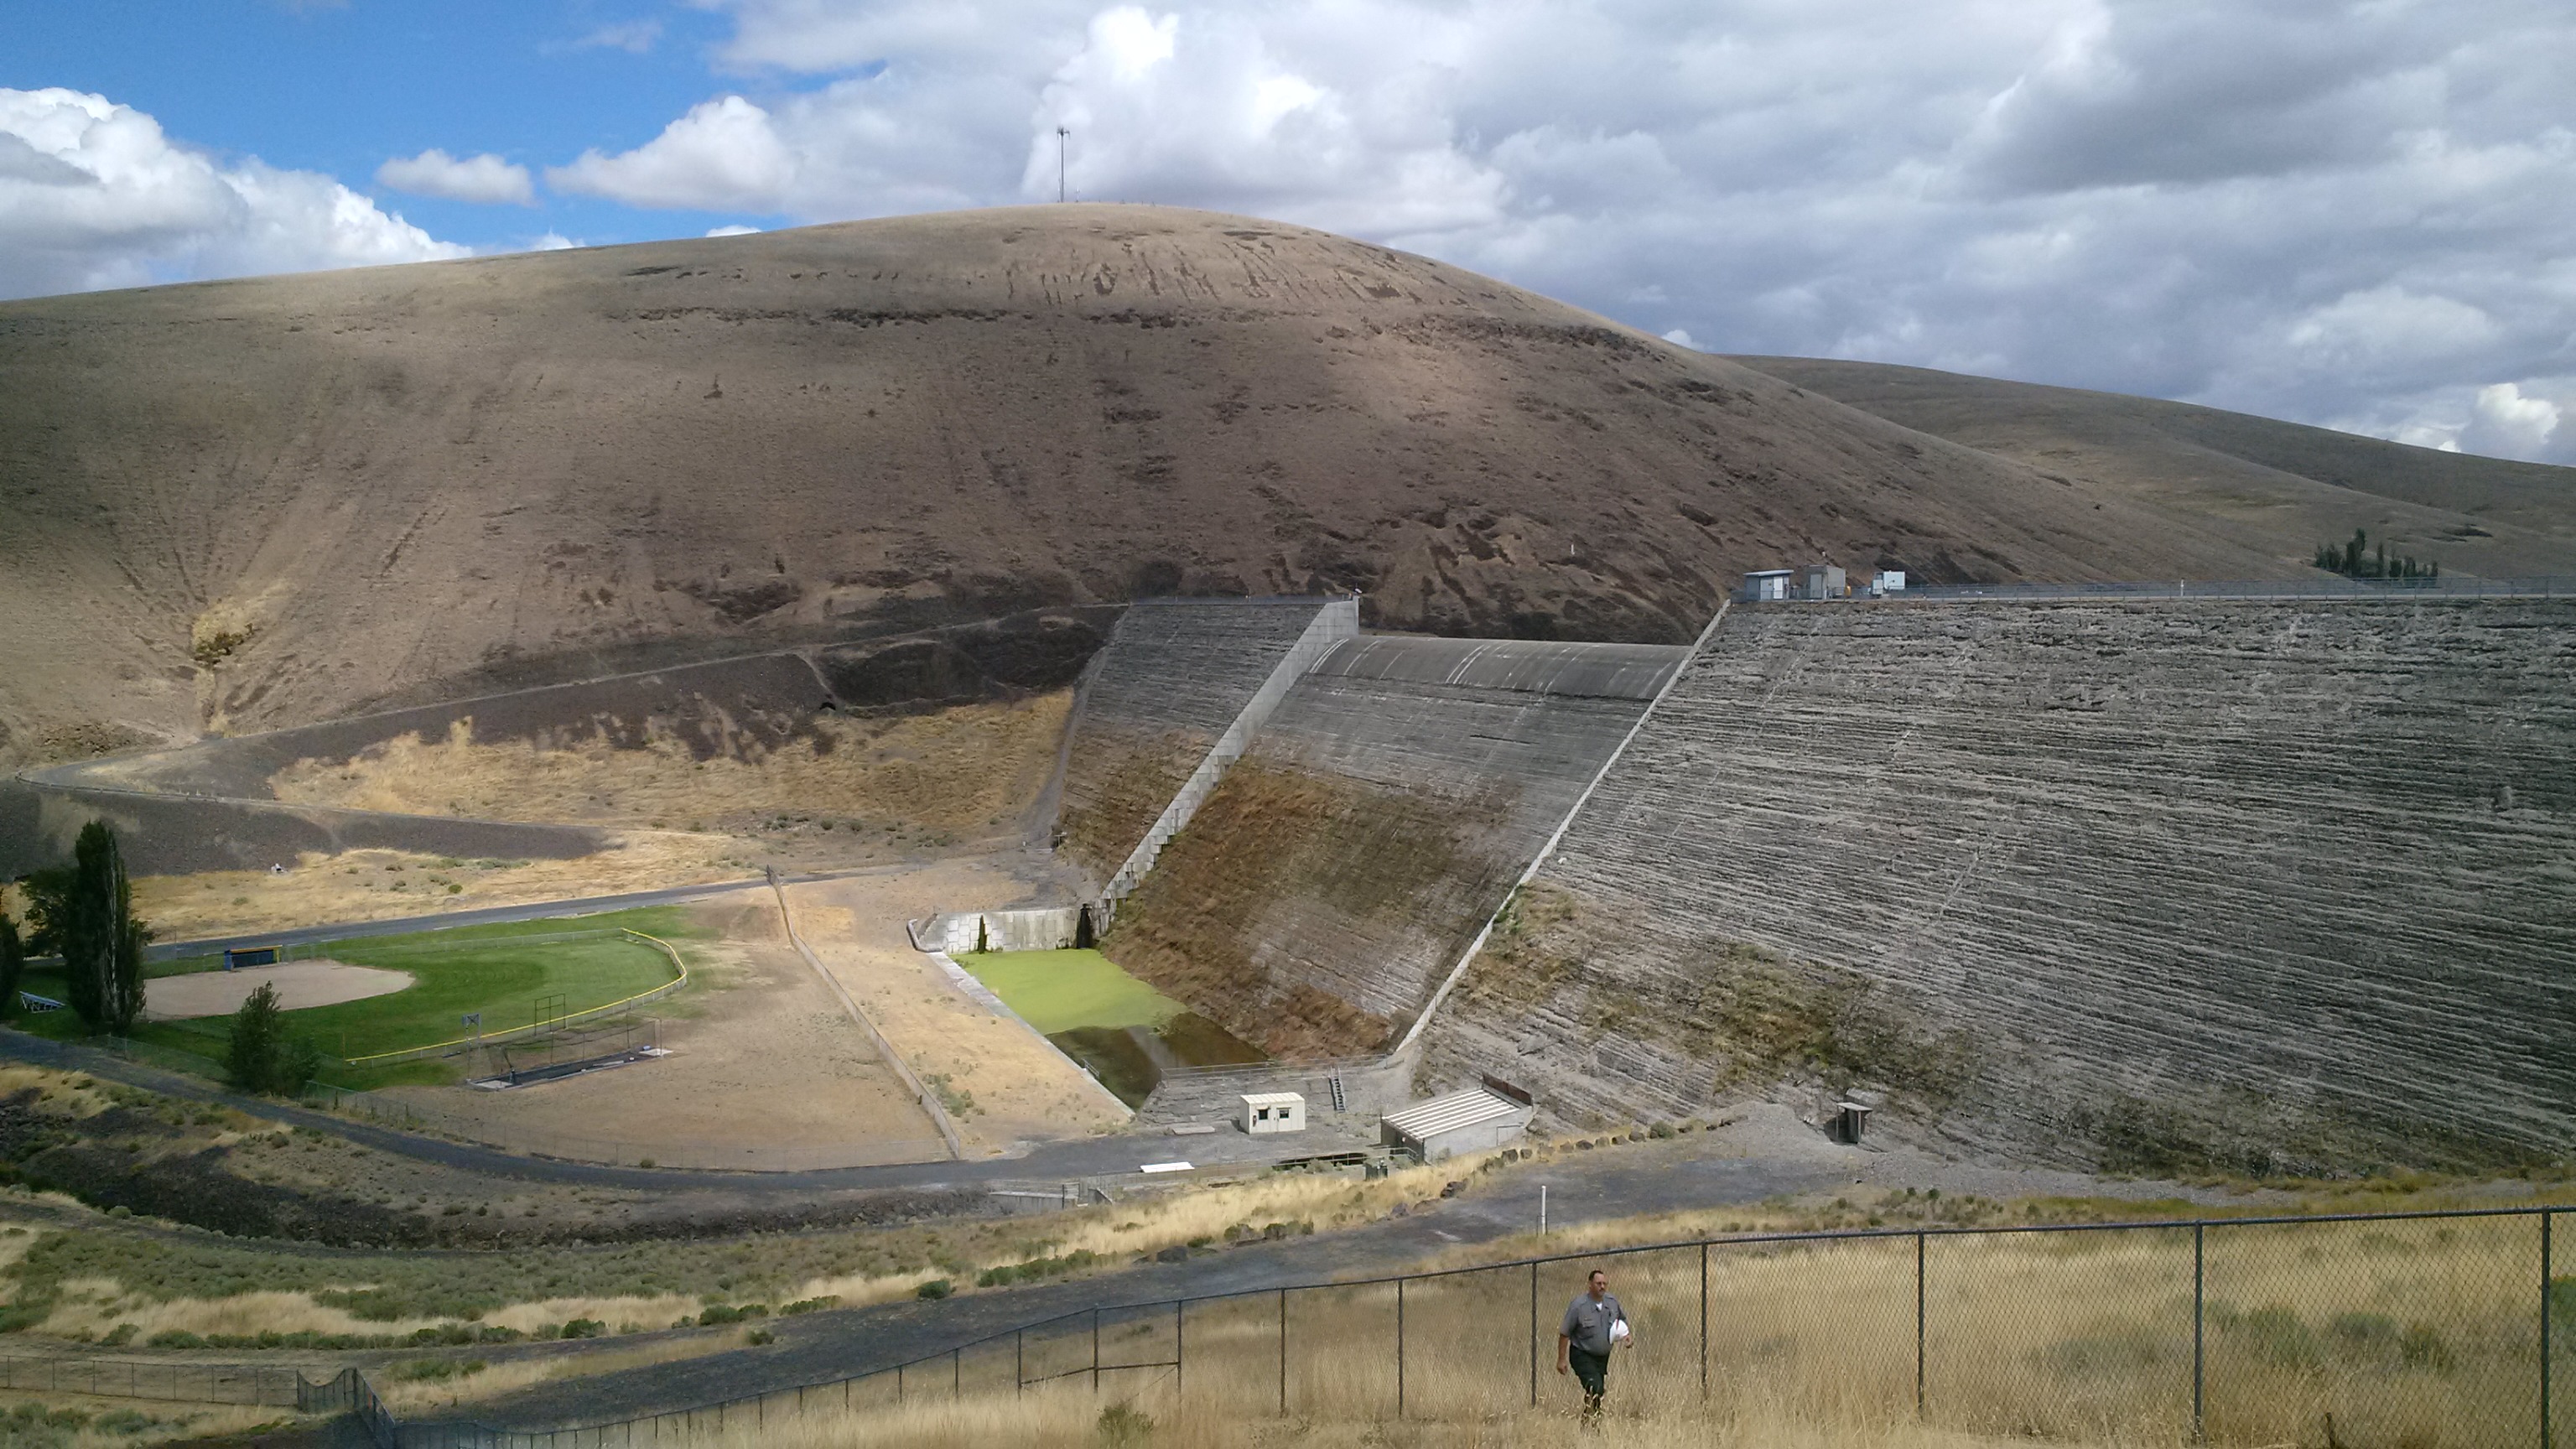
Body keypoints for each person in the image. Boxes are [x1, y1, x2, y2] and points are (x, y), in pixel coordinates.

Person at [1556, 1267, 1630, 1425]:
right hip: (1582, 1354)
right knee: (1596, 1388)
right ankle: (1592, 1422)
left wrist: (1627, 1336)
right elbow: (1564, 1333)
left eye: (1604, 1283)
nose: (1602, 1286)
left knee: (1597, 1392)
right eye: (1598, 1283)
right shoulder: (1578, 1306)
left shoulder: (1612, 1302)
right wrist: (1561, 1359)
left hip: (1602, 1357)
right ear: (1590, 1285)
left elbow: (1621, 1321)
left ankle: (1589, 1423)